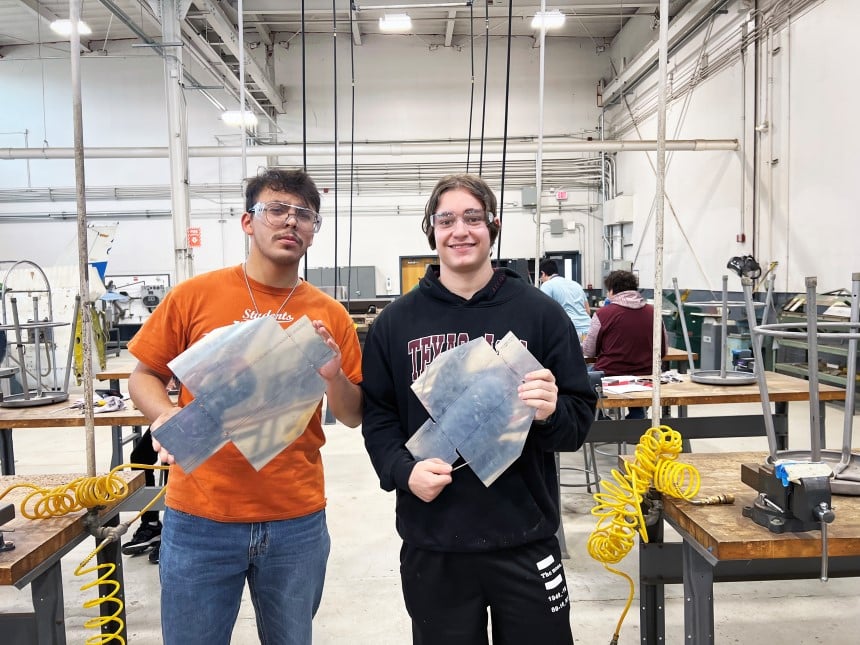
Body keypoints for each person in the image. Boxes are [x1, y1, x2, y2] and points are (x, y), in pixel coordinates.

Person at [127, 168, 363, 645]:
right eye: (276, 210)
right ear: (247, 221)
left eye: (304, 215)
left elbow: (355, 412)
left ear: (314, 231)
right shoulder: (194, 297)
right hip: (201, 517)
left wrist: (333, 373)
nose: (290, 223)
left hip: (295, 519)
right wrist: (165, 413)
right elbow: (145, 375)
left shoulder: (329, 314)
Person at [361, 173, 596, 644]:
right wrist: (403, 472)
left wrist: (551, 412)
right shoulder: (394, 324)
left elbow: (576, 422)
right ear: (431, 230)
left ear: (494, 226)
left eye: (473, 218)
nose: (460, 231)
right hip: (435, 541)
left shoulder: (541, 315)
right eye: (446, 220)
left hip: (525, 537)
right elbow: (379, 417)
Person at [581, 269, 667, 419]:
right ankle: (637, 416)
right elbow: (663, 351)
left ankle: (600, 417)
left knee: (582, 376)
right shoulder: (654, 312)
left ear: (612, 290)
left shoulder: (603, 314)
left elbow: (589, 351)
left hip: (610, 375)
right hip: (647, 377)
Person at [538, 259, 592, 337]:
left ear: (543, 273)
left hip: (570, 331)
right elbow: (588, 311)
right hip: (588, 329)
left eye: (540, 279)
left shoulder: (547, 285)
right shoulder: (576, 284)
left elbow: (543, 311)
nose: (541, 281)